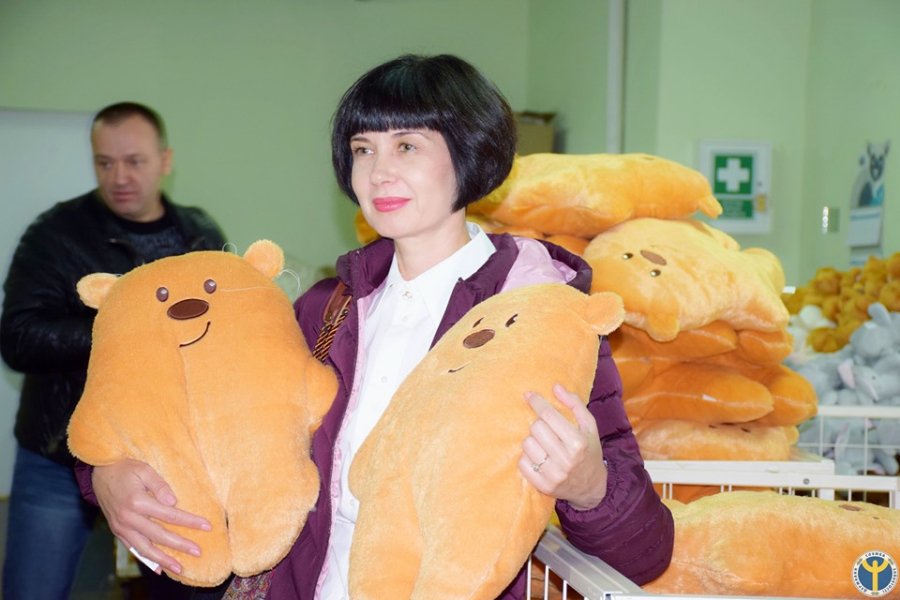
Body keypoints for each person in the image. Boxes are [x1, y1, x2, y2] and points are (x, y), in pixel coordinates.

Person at [81, 55, 674, 599]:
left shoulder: (539, 315)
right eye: (363, 149)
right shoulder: (325, 310)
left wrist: (589, 485)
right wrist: (103, 473)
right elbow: (188, 406)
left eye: (407, 146)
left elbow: (646, 553)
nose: (379, 173)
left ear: (470, 153)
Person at [1, 101, 227, 600]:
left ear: (165, 161)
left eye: (134, 161)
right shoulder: (55, 234)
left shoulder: (199, 233)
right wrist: (126, 329)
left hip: (165, 455)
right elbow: (18, 337)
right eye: (105, 162)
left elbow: (220, 329)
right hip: (60, 455)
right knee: (33, 590)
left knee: (184, 583)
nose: (119, 177)